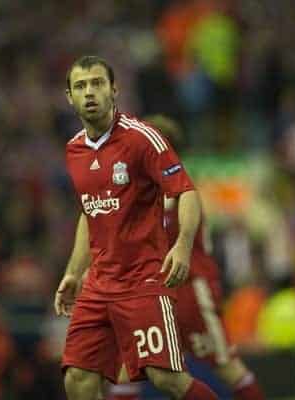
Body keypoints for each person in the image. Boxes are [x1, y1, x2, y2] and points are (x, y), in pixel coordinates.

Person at [54, 55, 219, 400]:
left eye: (97, 83)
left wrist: (184, 245)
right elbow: (90, 213)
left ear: (113, 90)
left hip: (143, 279)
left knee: (166, 379)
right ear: (69, 97)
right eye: (80, 86)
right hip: (99, 283)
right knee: (77, 378)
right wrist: (73, 272)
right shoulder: (74, 151)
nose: (89, 93)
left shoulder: (142, 138)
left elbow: (185, 191)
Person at [105, 115, 265, 400]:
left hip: (191, 289)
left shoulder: (178, 187)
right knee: (128, 368)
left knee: (226, 365)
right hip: (155, 294)